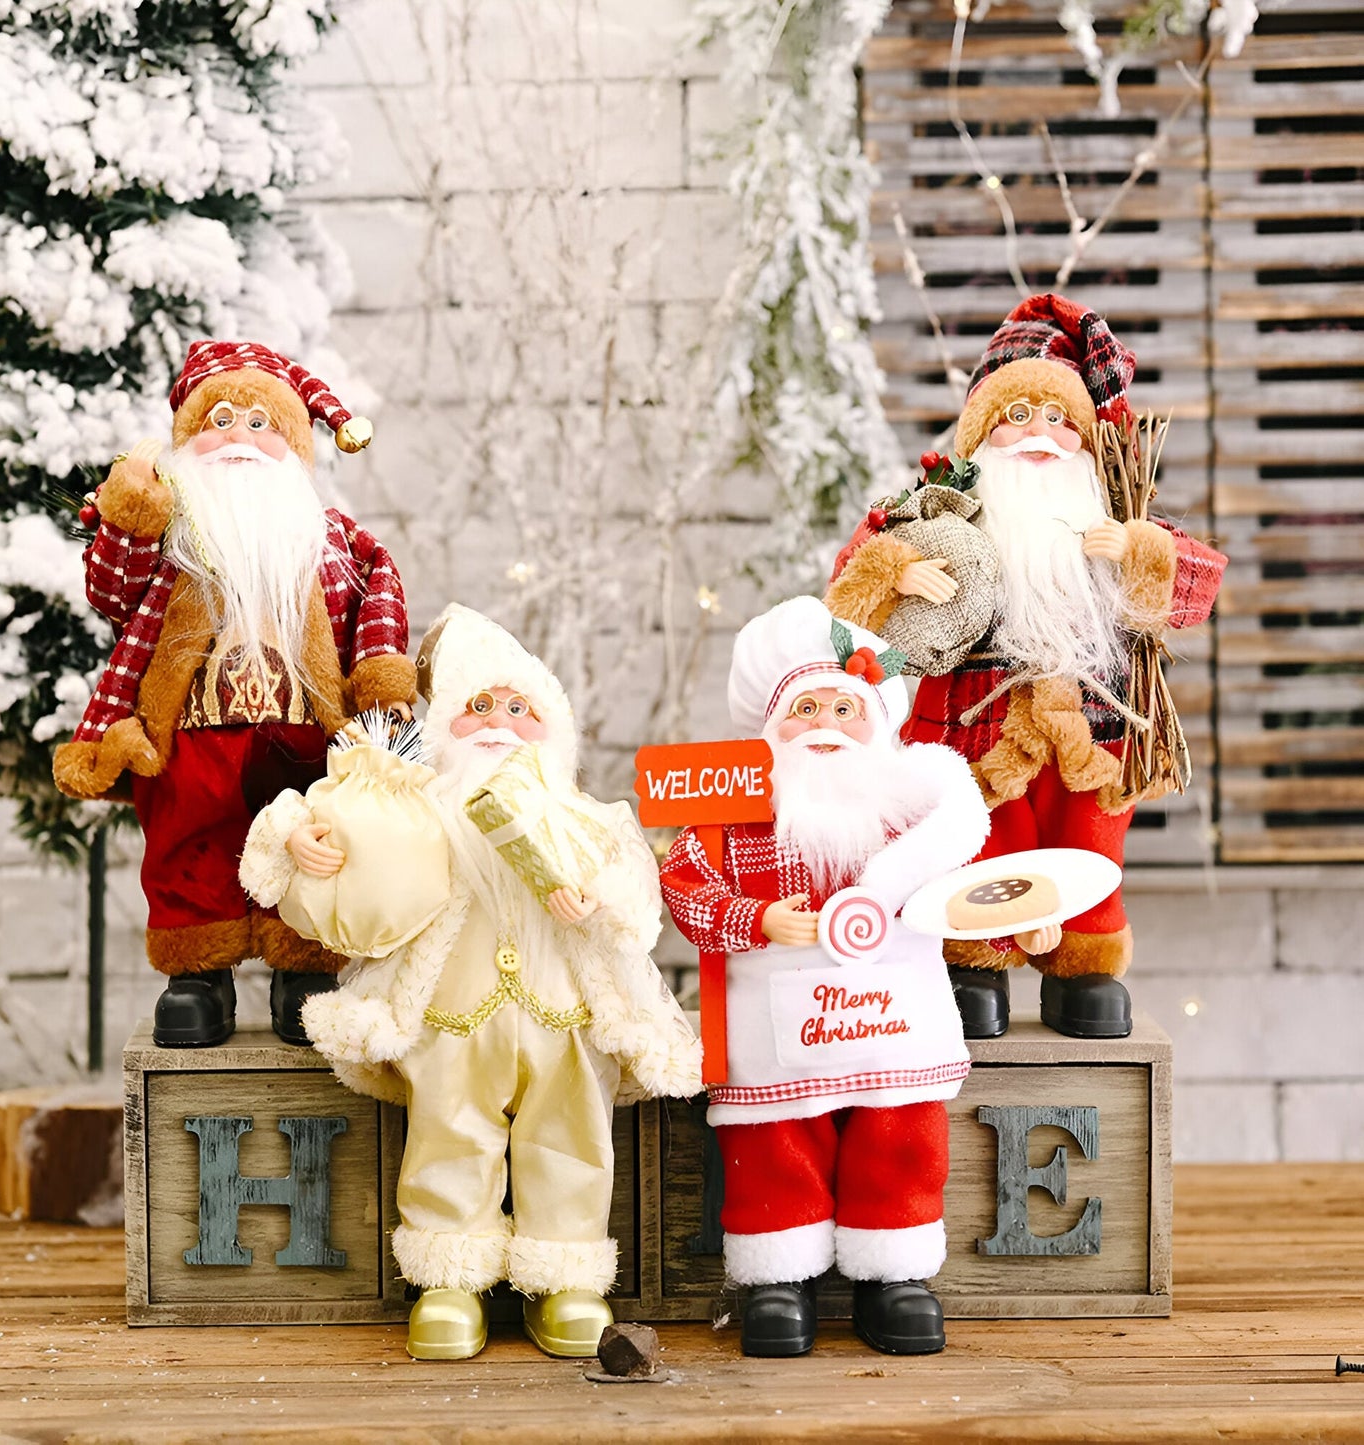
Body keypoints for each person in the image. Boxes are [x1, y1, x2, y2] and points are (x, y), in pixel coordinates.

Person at [244, 604, 700, 1361]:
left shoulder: (587, 817)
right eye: (477, 707)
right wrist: (298, 836)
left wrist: (598, 896)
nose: (498, 724)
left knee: (572, 1138)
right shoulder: (420, 809)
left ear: (552, 728)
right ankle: (450, 1275)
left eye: (520, 709)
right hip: (453, 1014)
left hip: (565, 1014)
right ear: (444, 722)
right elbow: (338, 804)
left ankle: (566, 1273)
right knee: (449, 1132)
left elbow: (638, 897)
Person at [827, 294, 1226, 1040]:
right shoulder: (939, 504)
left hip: (1095, 726)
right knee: (977, 838)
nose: (1036, 433)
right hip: (971, 727)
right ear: (980, 432)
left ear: (1083, 436)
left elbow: (1196, 585)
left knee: (1091, 841)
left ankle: (1085, 968)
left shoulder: (1110, 509)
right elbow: (850, 574)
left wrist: (1138, 551)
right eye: (1015, 416)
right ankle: (974, 963)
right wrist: (897, 571)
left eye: (1055, 417)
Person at [659, 596, 1000, 1358]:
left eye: (844, 707)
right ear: (768, 728)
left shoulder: (910, 811)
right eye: (803, 707)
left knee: (902, 1139)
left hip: (891, 1031)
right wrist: (755, 919)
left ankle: (895, 1273)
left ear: (877, 723)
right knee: (773, 1149)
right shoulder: (735, 813)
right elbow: (683, 884)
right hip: (774, 1036)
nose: (822, 723)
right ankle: (780, 1277)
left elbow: (968, 876)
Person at [52, 340, 417, 1048]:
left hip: (304, 729)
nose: (241, 437)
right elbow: (109, 592)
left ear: (296, 446)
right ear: (185, 441)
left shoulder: (334, 540)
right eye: (219, 419)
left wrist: (379, 676)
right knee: (192, 845)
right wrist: (130, 510)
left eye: (262, 424)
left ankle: (304, 966)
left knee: (316, 843)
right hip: (192, 730)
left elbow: (381, 595)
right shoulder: (169, 535)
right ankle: (198, 975)